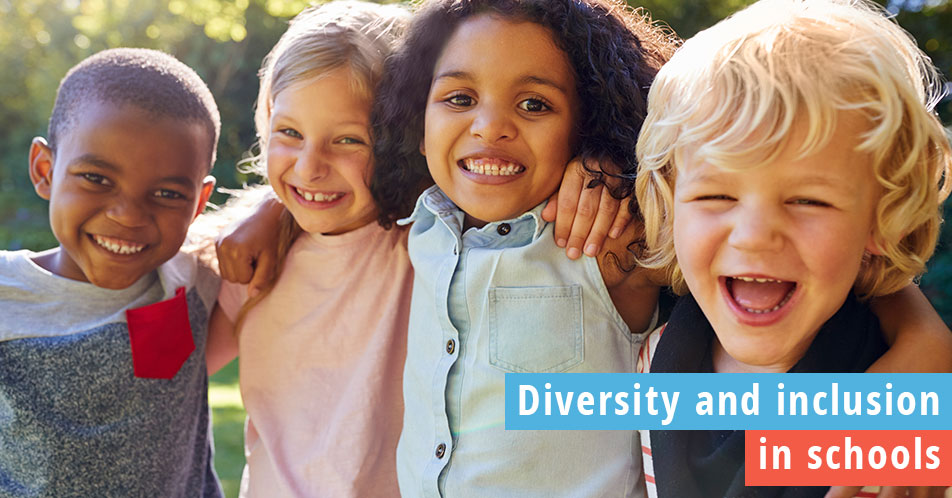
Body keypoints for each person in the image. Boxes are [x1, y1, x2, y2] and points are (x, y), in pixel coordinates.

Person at [633, 0, 952, 496]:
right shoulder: (643, 354)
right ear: (673, 205)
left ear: (880, 219)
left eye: (808, 200)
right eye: (716, 195)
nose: (755, 234)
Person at [369, 0, 674, 495]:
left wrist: (616, 170)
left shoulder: (606, 234)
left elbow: (718, 206)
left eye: (534, 104)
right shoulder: (422, 226)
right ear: (417, 124)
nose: (490, 126)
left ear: (585, 125)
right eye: (459, 98)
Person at [0, 48, 222, 496]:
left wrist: (259, 220)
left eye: (165, 193)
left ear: (199, 204)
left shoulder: (193, 276)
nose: (127, 216)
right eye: (96, 179)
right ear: (45, 171)